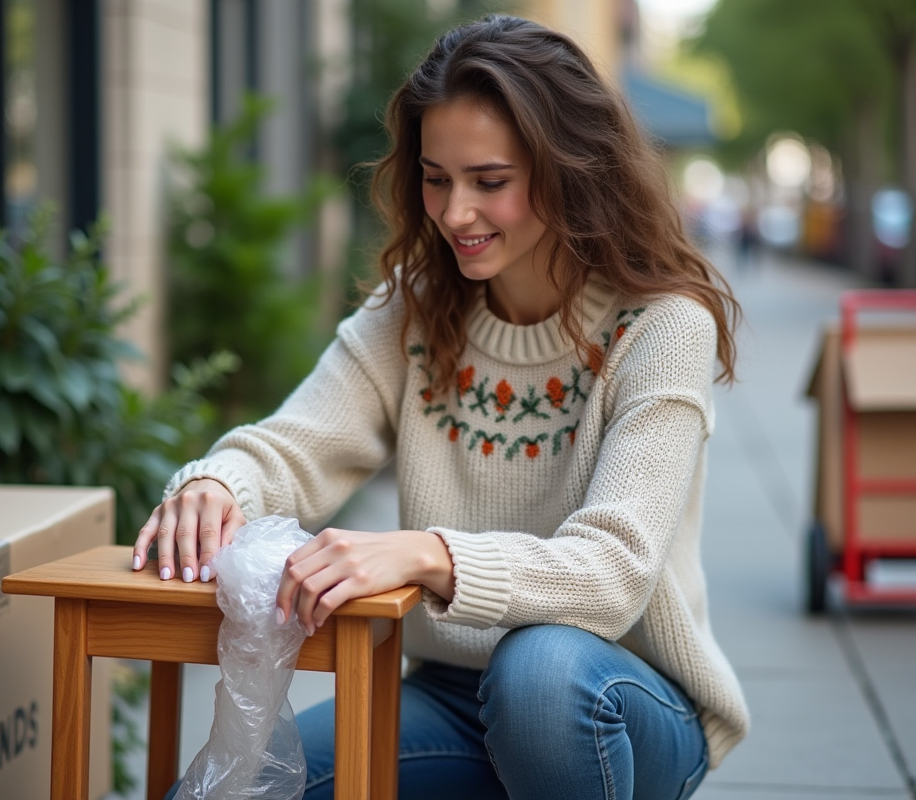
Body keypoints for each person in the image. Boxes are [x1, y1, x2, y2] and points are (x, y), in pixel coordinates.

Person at [142, 14, 749, 800]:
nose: (455, 212)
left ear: (569, 170)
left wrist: (432, 553)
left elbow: (613, 574)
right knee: (233, 790)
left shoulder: (661, 327)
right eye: (436, 177)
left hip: (624, 697)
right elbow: (295, 447)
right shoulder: (416, 311)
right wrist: (219, 481)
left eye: (489, 181)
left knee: (539, 673)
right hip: (456, 698)